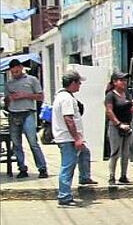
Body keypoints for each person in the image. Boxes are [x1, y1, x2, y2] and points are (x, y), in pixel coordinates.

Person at [52, 70, 97, 207]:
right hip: (67, 138)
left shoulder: (63, 96)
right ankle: (64, 196)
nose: (80, 85)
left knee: (85, 152)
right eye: (78, 82)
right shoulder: (66, 99)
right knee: (68, 166)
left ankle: (84, 177)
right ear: (72, 83)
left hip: (67, 137)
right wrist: (76, 138)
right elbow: (69, 119)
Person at [3, 58, 48, 179]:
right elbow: (6, 102)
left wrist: (25, 95)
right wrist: (9, 99)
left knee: (33, 142)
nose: (14, 74)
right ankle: (22, 168)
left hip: (28, 113)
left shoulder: (32, 80)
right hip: (13, 114)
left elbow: (40, 97)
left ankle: (42, 168)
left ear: (21, 68)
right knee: (16, 144)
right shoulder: (9, 84)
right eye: (13, 72)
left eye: (16, 71)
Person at [104, 71, 133, 185]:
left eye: (125, 80)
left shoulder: (126, 94)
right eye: (121, 80)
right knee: (115, 152)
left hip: (128, 125)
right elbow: (109, 111)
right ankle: (112, 177)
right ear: (115, 82)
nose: (124, 82)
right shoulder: (110, 95)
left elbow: (128, 108)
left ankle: (123, 176)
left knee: (126, 153)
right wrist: (118, 124)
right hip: (116, 127)